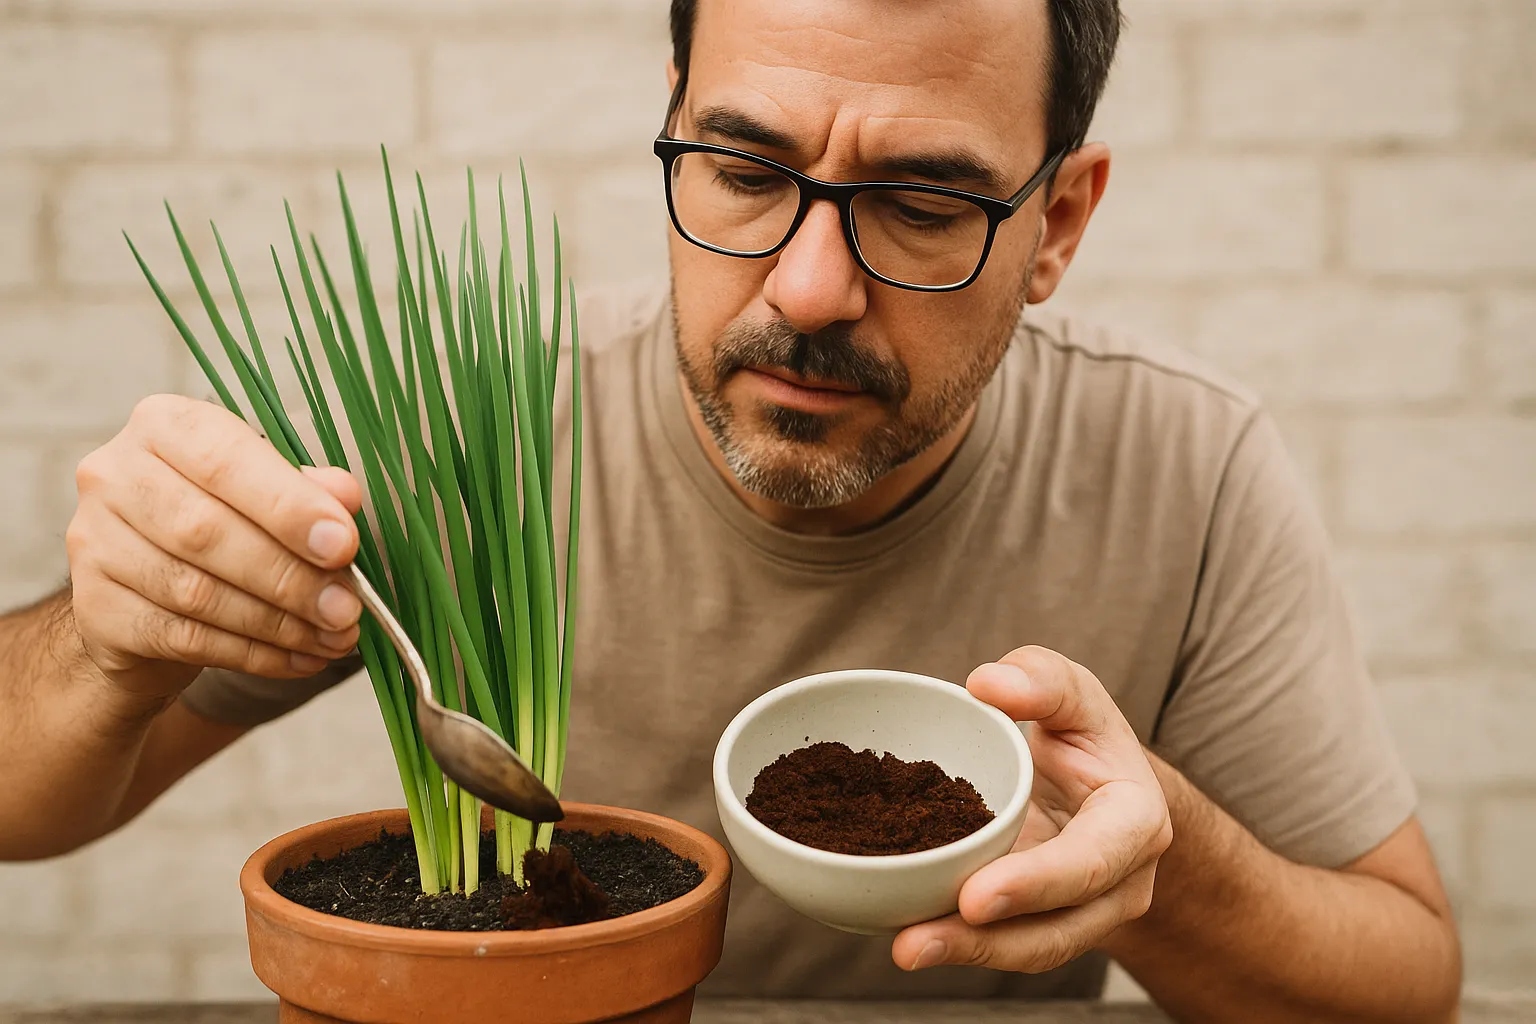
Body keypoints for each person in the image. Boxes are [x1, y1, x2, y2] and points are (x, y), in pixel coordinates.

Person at [0, 0, 1461, 1017]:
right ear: (674, 126)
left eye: (924, 203)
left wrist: (1171, 855)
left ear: (1056, 226)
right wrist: (100, 647)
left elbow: (1406, 987)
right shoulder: (462, 427)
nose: (811, 286)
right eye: (747, 169)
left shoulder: (1182, 465)